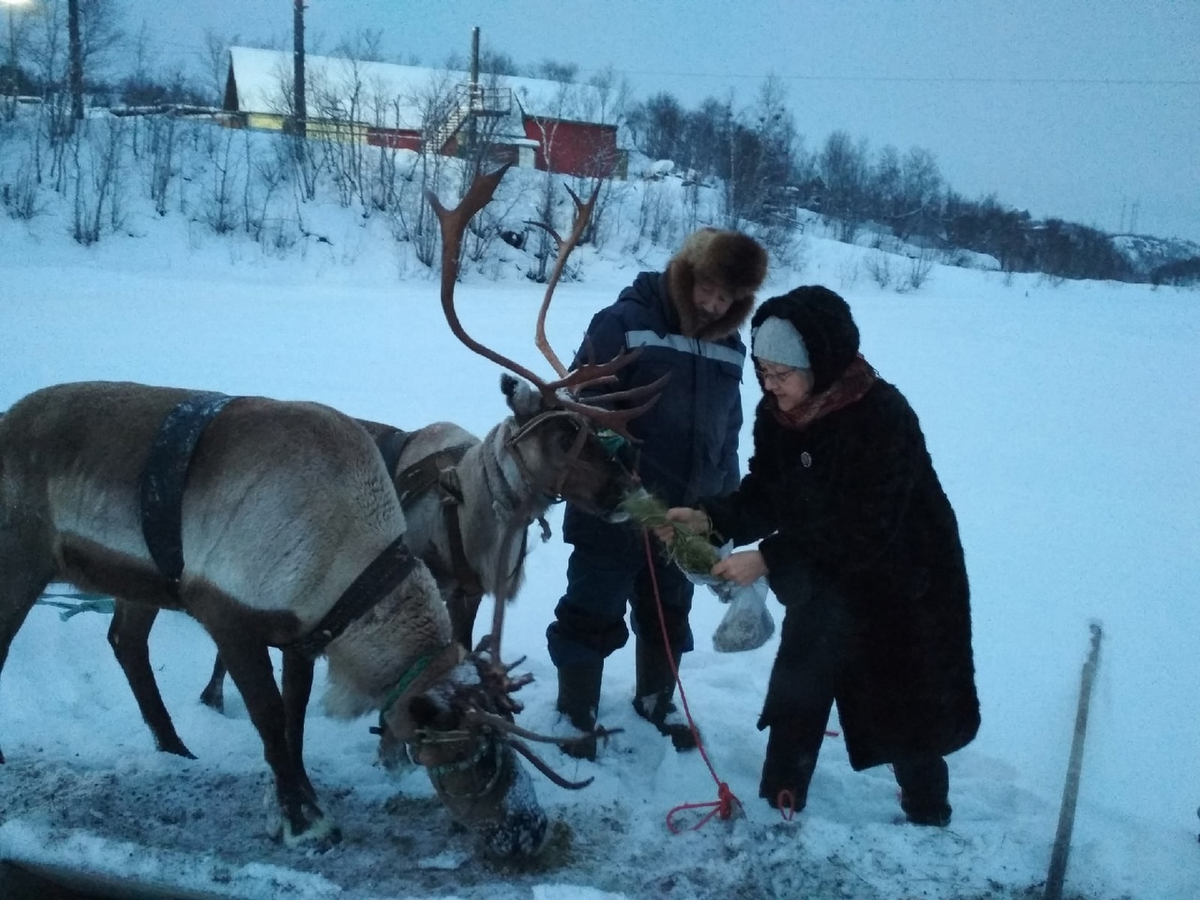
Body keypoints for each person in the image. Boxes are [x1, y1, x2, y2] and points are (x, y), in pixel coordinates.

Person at [656, 285, 980, 825]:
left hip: (903, 576)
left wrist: (768, 559)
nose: (770, 384)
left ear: (820, 363)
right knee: (801, 679)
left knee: (904, 695)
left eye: (782, 373)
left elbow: (868, 523)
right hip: (820, 569)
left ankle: (927, 812)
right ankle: (780, 798)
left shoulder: (882, 415)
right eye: (763, 371)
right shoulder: (779, 415)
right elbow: (768, 491)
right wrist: (713, 517)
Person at [546, 227, 769, 759]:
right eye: (708, 289)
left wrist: (721, 507)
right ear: (685, 274)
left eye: (728, 298)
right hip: (617, 504)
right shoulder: (623, 323)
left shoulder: (730, 347)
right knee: (591, 605)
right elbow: (580, 408)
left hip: (685, 514)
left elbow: (727, 432)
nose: (714, 305)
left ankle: (655, 700)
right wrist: (620, 477)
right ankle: (576, 711)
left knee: (668, 609)